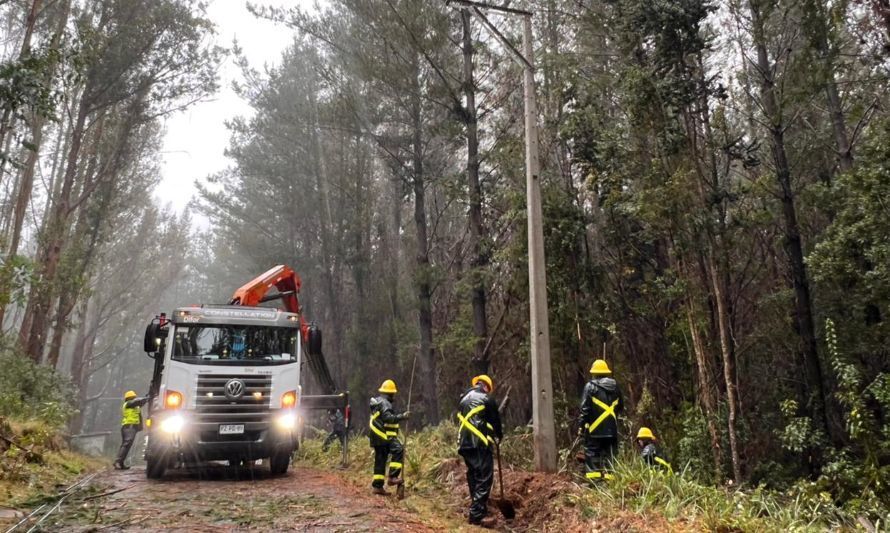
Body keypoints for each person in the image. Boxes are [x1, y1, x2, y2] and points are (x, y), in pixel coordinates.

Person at [457, 375, 503, 528]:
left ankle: (478, 508)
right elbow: (495, 421)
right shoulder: (486, 399)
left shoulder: (463, 400)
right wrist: (499, 436)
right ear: (486, 387)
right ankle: (476, 515)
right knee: (484, 477)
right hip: (480, 444)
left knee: (474, 474)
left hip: (464, 444)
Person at [578, 359, 622, 482]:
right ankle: (611, 484)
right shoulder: (615, 387)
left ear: (594, 373)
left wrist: (581, 427)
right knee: (610, 457)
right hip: (612, 431)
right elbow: (620, 406)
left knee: (592, 455)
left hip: (594, 431)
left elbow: (584, 409)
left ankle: (595, 484)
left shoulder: (590, 387)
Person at [368, 379, 409, 495]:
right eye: (393, 394)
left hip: (376, 436)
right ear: (390, 393)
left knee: (380, 459)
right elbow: (388, 418)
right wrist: (402, 416)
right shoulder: (385, 403)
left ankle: (377, 486)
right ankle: (392, 477)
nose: (393, 396)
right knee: (398, 449)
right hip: (384, 435)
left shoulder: (378, 402)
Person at [114, 390, 149, 470]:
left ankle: (120, 463)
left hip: (129, 427)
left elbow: (141, 403)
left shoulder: (134, 406)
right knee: (127, 444)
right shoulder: (128, 404)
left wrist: (146, 398)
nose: (135, 399)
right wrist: (146, 398)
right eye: (133, 398)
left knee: (126, 445)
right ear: (130, 398)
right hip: (129, 427)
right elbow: (138, 401)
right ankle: (117, 462)